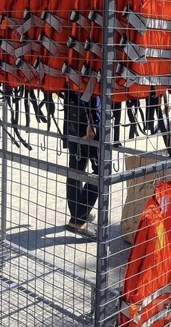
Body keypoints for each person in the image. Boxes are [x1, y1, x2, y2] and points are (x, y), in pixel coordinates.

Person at [64, 91, 100, 238]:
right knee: (101, 170)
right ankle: (78, 219)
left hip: (73, 114)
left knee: (76, 167)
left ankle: (78, 215)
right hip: (87, 121)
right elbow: (93, 89)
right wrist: (93, 122)